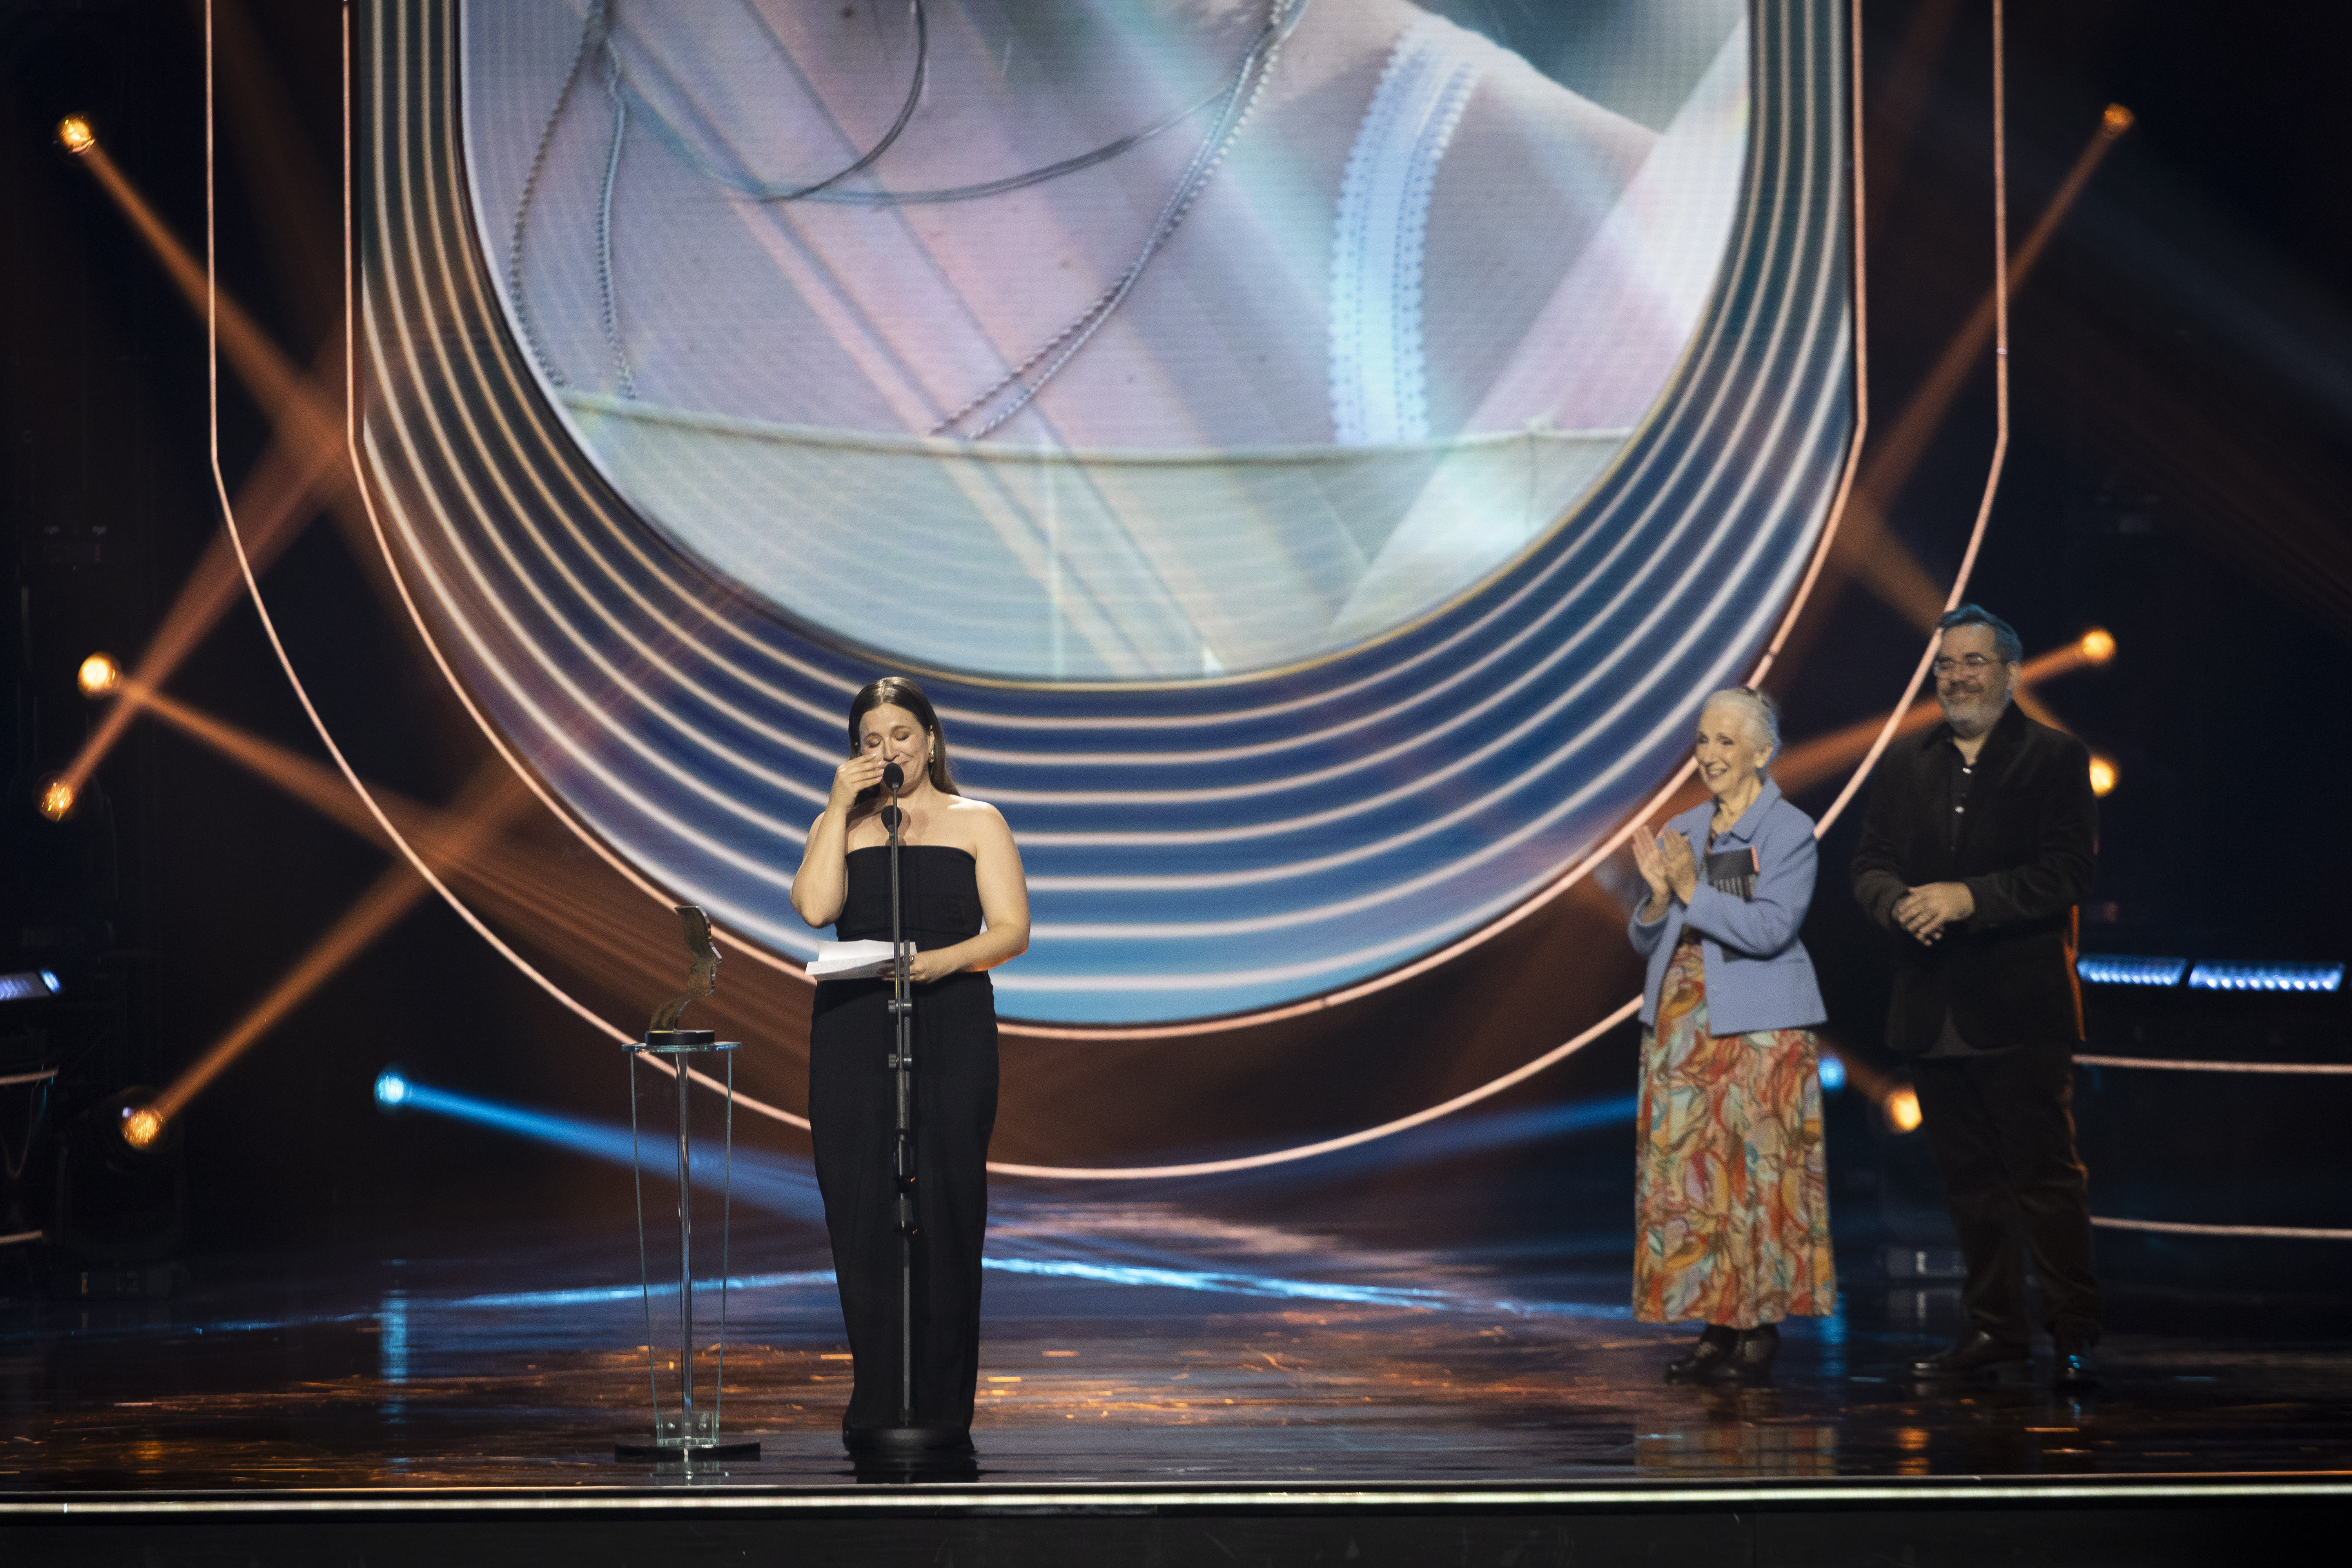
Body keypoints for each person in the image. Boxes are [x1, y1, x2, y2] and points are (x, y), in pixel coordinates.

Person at [1850, 605, 2101, 1389]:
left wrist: (1968, 898)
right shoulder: (1907, 761)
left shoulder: (2054, 757)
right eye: (1946, 664)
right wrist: (1898, 903)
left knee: (2045, 1179)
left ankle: (2073, 1332)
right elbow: (1869, 863)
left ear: (2010, 672)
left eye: (1972, 661)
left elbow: (2068, 872)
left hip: (2021, 1007)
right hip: (1932, 1011)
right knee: (1969, 1185)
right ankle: (1995, 1328)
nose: (1956, 676)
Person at [791, 675, 1030, 1453]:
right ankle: (878, 1399)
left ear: (929, 739)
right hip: (855, 1028)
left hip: (950, 1019)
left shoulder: (977, 820)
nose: (887, 750)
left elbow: (1012, 929)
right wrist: (837, 806)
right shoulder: (843, 823)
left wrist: (938, 963)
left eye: (900, 735)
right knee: (861, 1205)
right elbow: (815, 908)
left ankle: (941, 1404)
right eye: (870, 741)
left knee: (949, 1205)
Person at [1626, 686, 1835, 1386]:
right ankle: (1714, 1323)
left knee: (1754, 1178)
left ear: (1762, 753)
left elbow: (1772, 928)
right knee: (1693, 1183)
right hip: (1684, 1030)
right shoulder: (1685, 827)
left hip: (1759, 1031)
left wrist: (1692, 892)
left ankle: (1758, 1324)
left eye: (1725, 742)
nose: (1709, 755)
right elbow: (1648, 937)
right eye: (1702, 740)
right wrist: (1659, 898)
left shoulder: (1788, 831)